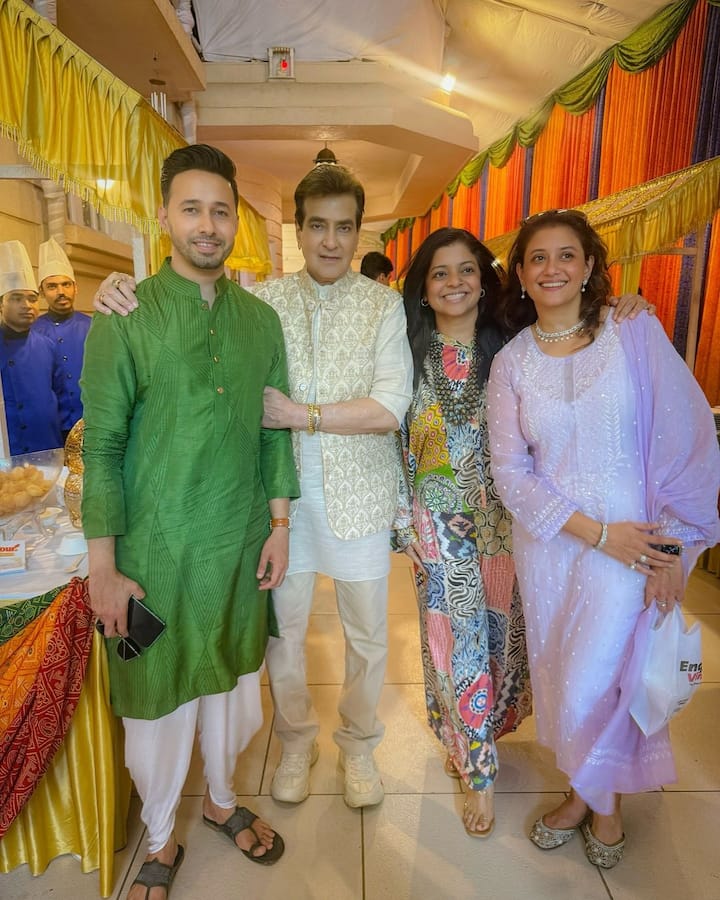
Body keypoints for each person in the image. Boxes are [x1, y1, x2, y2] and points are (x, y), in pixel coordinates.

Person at [91, 163, 413, 812]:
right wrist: (115, 288)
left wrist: (304, 416)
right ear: (297, 231)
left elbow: (391, 405)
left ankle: (357, 745)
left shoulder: (384, 305)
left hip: (359, 501)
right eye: (316, 226)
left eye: (343, 228)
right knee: (283, 637)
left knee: (369, 638)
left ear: (358, 233)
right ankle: (297, 742)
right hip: (279, 505)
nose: (330, 240)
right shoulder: (264, 302)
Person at [81, 144, 299, 899]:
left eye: (220, 209)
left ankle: (222, 801)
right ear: (165, 215)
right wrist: (102, 567)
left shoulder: (261, 320)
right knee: (157, 712)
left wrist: (280, 525)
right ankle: (164, 833)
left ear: (235, 219)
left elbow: (274, 430)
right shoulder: (124, 317)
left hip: (238, 545)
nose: (208, 224)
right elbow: (103, 447)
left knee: (233, 693)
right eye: (192, 208)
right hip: (156, 552)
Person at [486, 209, 720, 868]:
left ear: (590, 267)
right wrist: (596, 535)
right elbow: (510, 472)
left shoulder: (633, 333)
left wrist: (668, 549)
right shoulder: (510, 364)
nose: (552, 269)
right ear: (522, 277)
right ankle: (585, 790)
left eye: (567, 255)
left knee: (604, 674)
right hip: (556, 546)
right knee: (564, 672)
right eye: (538, 258)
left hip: (638, 544)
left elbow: (687, 439)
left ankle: (601, 802)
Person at [393, 227, 532, 838]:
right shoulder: (402, 351)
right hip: (436, 523)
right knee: (457, 643)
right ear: (423, 288)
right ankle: (480, 772)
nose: (454, 283)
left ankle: (474, 734)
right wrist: (404, 524)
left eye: (466, 270)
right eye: (440, 273)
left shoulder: (513, 346)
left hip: (504, 519)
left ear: (484, 277)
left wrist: (629, 309)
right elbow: (388, 441)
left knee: (499, 637)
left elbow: (575, 325)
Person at [0, 240, 62, 456]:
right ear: (1, 304)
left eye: (32, 299)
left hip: (47, 448)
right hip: (7, 453)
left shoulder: (47, 345)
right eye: (16, 298)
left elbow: (58, 394)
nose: (27, 305)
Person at [35, 237, 91, 440]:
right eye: (52, 286)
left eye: (66, 284)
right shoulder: (33, 334)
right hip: (52, 431)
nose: (61, 292)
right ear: (41, 292)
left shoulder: (93, 328)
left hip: (93, 425)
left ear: (75, 287)